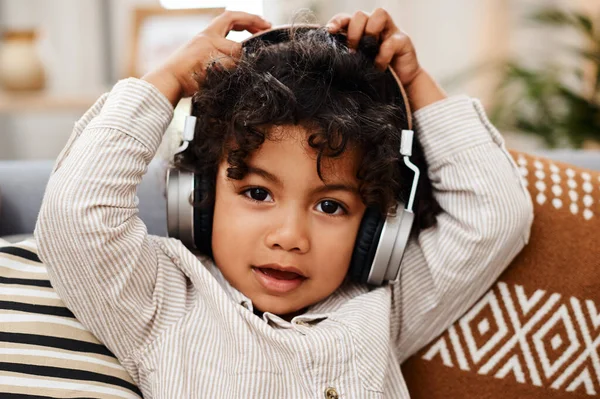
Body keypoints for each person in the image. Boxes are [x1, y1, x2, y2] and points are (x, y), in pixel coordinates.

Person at [34, 9, 533, 398]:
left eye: (331, 207)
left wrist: (413, 79)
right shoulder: (163, 302)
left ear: (375, 232)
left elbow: (495, 216)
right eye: (257, 193)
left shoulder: (383, 309)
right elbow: (76, 213)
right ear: (199, 196)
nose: (289, 238)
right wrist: (167, 80)